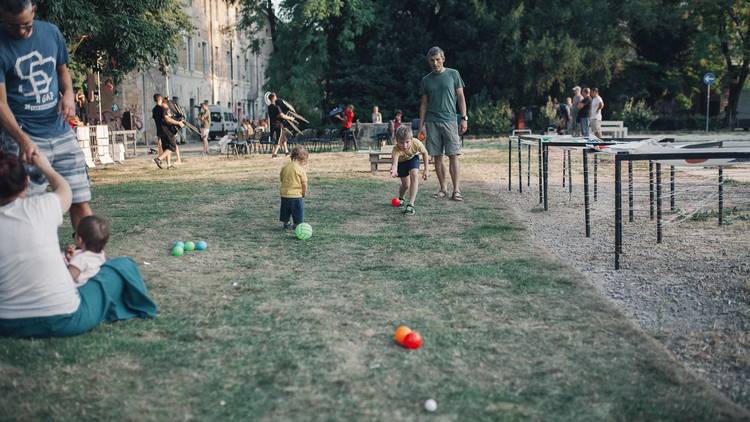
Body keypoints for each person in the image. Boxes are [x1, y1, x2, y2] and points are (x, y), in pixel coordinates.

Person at [0, 151, 157, 338]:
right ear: (26, 182)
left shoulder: (42, 206)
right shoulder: (44, 205)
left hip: (7, 323)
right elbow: (64, 189)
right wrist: (45, 166)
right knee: (121, 266)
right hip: (64, 318)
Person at [0, 0, 93, 232]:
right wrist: (23, 141)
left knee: (79, 200)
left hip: (60, 130)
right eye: (12, 26)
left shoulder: (51, 32)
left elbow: (63, 71)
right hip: (22, 134)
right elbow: (1, 105)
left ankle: (91, 260)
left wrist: (69, 94)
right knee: (23, 208)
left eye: (26, 25)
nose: (20, 32)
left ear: (34, 11)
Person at [417, 46, 467, 202]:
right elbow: (424, 104)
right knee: (437, 157)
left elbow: (461, 97)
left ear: (443, 59)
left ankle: (456, 190)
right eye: (432, 60)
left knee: (453, 155)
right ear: (428, 62)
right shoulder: (426, 80)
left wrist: (464, 117)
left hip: (450, 120)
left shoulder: (453, 74)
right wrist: (421, 125)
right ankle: (443, 189)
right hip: (432, 122)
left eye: (438, 59)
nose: (435, 63)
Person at [390, 125, 429, 216]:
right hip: (401, 163)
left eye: (407, 142)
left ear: (411, 139)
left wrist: (426, 169)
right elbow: (395, 163)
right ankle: (401, 198)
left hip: (413, 159)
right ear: (396, 141)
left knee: (414, 175)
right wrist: (394, 170)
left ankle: (411, 204)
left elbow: (425, 153)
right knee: (406, 185)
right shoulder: (395, 150)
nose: (404, 145)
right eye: (401, 142)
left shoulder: (416, 143)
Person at [64, 215, 110, 287]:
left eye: (74, 234)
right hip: (96, 288)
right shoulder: (102, 254)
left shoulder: (80, 259)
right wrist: (71, 259)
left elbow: (67, 280)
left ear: (80, 239)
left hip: (81, 292)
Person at [279, 145, 308, 230]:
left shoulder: (285, 167)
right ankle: (297, 224)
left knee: (285, 211)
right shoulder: (300, 169)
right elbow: (304, 183)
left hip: (284, 195)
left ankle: (286, 223)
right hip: (296, 196)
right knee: (298, 212)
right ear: (303, 159)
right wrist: (304, 193)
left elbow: (282, 179)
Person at [153, 97, 184, 169]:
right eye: (168, 104)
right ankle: (159, 159)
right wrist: (178, 122)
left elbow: (163, 118)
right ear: (162, 101)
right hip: (167, 130)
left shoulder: (154, 109)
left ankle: (168, 165)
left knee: (166, 147)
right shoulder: (163, 108)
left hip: (160, 130)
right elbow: (167, 119)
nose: (169, 106)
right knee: (172, 147)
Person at [268, 92, 295, 159]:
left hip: (272, 124)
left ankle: (286, 152)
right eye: (275, 97)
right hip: (278, 125)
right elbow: (282, 115)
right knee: (279, 139)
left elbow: (276, 115)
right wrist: (290, 118)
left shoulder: (269, 107)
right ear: (273, 98)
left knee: (283, 138)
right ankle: (274, 154)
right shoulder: (276, 107)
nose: (276, 98)